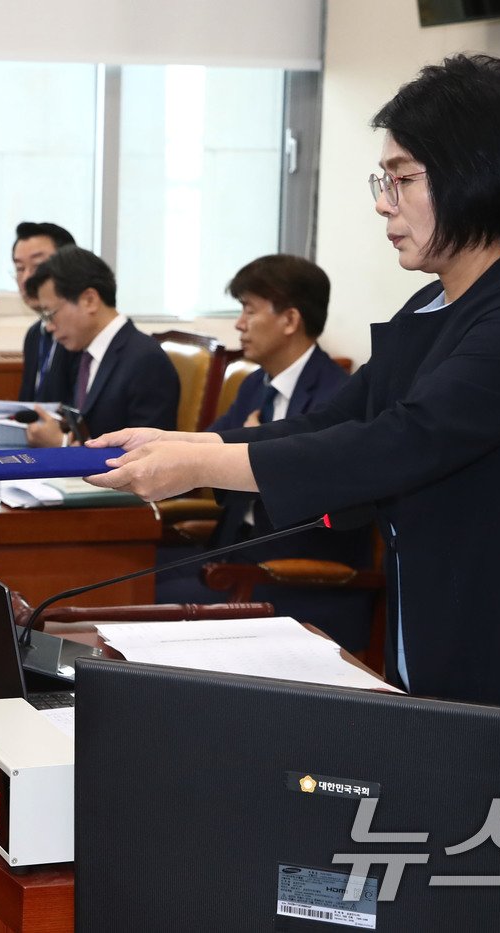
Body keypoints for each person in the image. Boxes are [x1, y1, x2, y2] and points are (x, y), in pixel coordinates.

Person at [88, 54, 500, 777]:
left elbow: (402, 441)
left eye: (402, 179)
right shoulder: (437, 303)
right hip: (463, 649)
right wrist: (188, 441)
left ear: (475, 173)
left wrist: (199, 463)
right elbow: (335, 420)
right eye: (384, 180)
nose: (384, 203)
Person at [154, 255, 372, 651]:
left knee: (141, 596)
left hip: (294, 575)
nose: (239, 324)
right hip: (234, 550)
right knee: (132, 569)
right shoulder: (256, 384)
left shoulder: (336, 397)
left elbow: (328, 502)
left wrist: (256, 449)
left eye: (249, 310)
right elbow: (208, 452)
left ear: (290, 320)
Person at [21, 245, 178, 446]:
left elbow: (150, 452)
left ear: (89, 300)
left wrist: (62, 445)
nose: (49, 326)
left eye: (50, 314)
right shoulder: (82, 353)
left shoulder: (147, 361)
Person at [12, 221, 80, 403]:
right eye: (20, 269)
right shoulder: (34, 335)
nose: (26, 279)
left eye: (38, 266)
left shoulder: (83, 335)